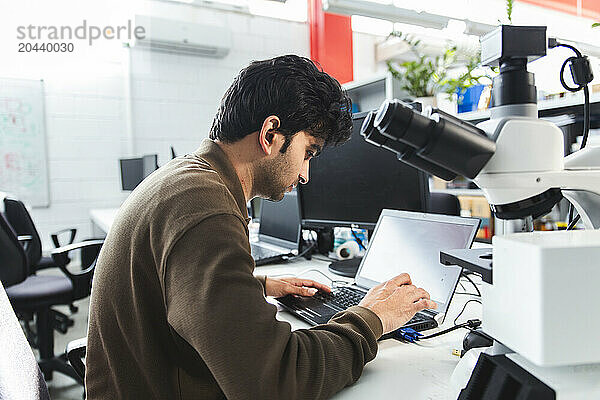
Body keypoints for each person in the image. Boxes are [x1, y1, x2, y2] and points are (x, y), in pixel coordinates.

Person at [85, 55, 436, 400]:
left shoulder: (186, 178)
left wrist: (257, 286)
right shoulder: (206, 208)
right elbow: (278, 381)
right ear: (270, 134)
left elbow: (165, 288)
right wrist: (371, 318)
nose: (305, 174)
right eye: (309, 152)